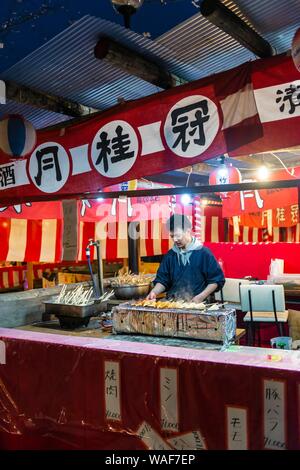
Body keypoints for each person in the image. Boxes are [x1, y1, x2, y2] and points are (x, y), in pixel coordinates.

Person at [147, 214, 225, 302]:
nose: (175, 240)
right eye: (172, 236)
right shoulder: (170, 255)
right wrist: (154, 292)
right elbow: (163, 280)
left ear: (188, 231)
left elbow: (216, 280)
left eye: (178, 235)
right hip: (174, 303)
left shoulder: (204, 253)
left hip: (199, 304)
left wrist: (201, 296)